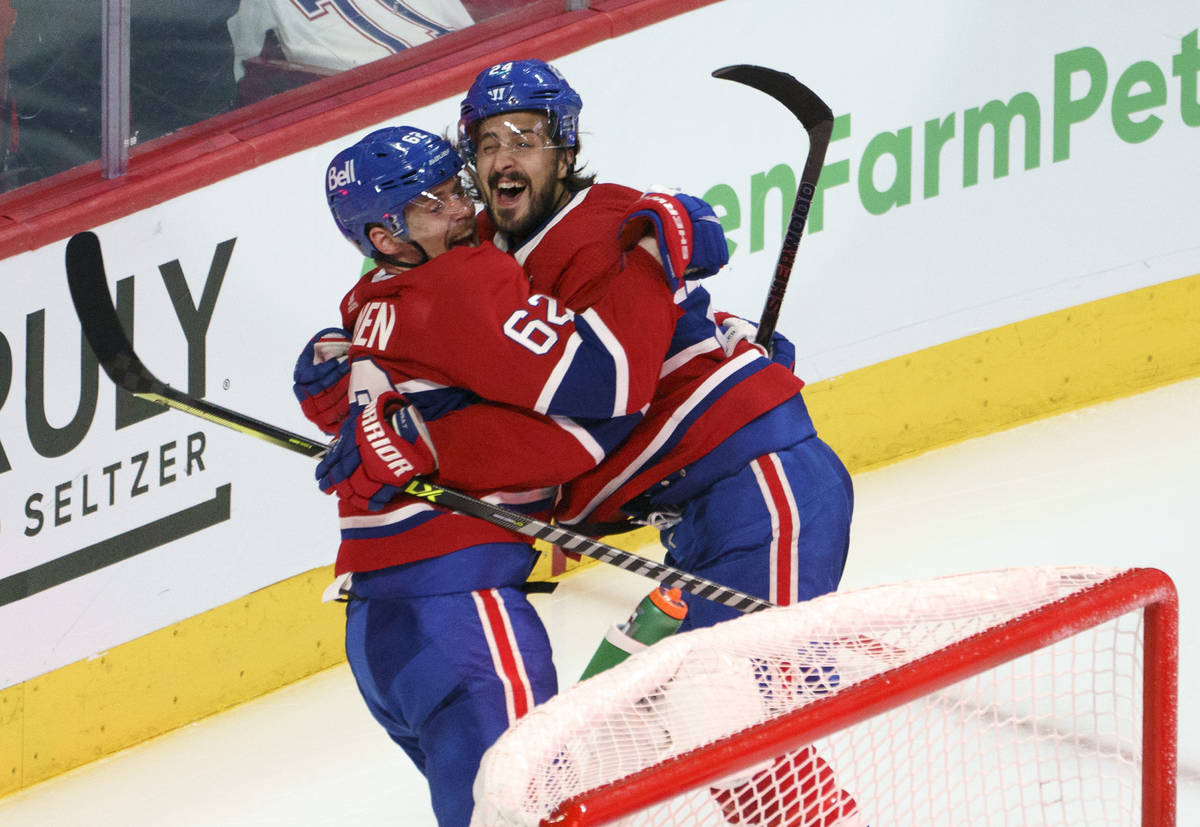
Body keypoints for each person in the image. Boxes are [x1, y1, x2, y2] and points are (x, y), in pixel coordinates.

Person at [456, 59, 862, 825]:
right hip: (703, 516)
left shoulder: (608, 224)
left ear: (565, 150)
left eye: (527, 137)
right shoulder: (491, 253)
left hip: (760, 490)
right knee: (626, 722)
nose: (505, 156)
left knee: (723, 711)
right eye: (487, 141)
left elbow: (612, 399)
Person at [297, 124, 688, 826]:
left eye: (455, 188)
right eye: (434, 203)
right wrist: (659, 272)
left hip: (380, 633)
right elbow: (602, 391)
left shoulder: (368, 306)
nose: (461, 208)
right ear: (386, 237)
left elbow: (344, 388)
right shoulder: (462, 280)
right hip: (461, 613)